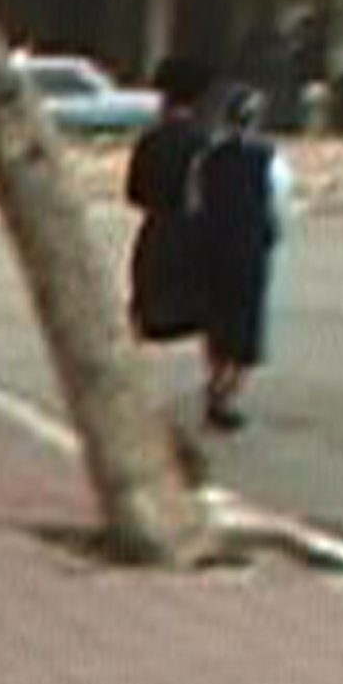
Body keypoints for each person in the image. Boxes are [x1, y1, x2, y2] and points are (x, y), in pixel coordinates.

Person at [195, 82, 284, 430]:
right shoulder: (265, 158)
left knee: (218, 324)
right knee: (246, 331)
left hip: (214, 250)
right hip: (250, 251)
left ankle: (216, 384)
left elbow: (197, 203)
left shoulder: (209, 158)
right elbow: (275, 203)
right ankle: (223, 393)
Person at [125, 54, 214, 362]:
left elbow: (134, 194)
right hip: (194, 238)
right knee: (205, 312)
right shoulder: (205, 143)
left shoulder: (149, 141)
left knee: (145, 315)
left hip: (154, 234)